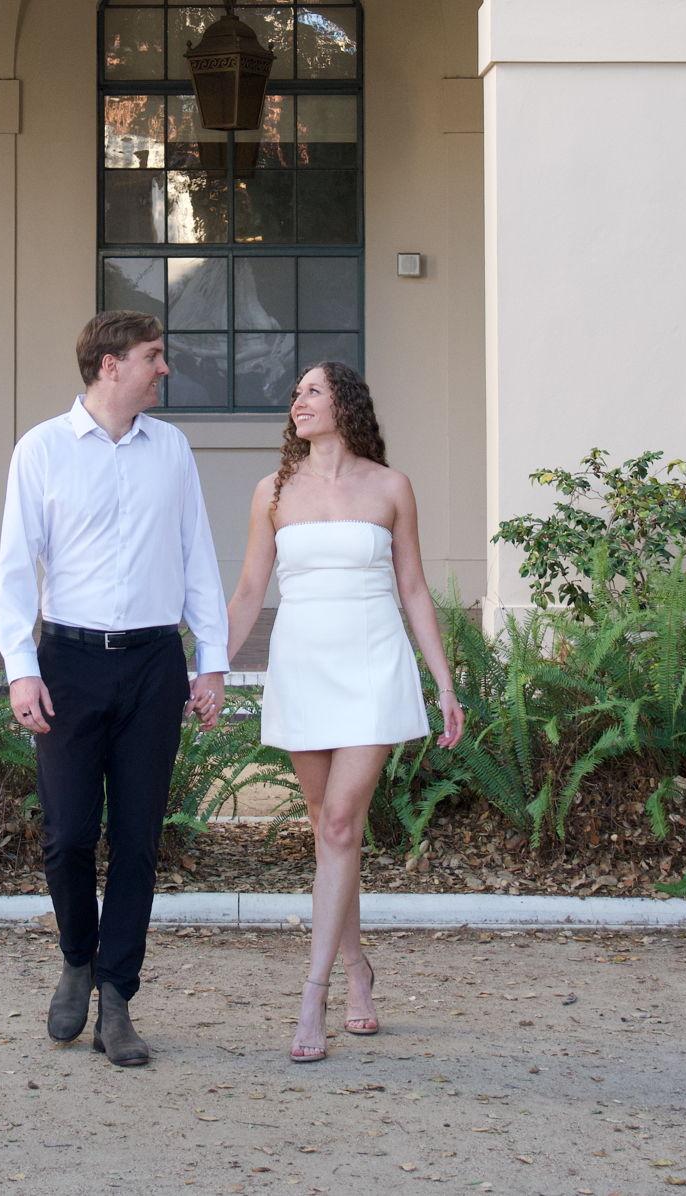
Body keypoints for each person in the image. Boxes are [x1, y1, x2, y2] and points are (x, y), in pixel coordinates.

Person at [0, 310, 230, 1068]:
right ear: (109, 365)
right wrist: (20, 667)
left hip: (154, 662)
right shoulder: (42, 449)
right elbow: (13, 570)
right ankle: (77, 958)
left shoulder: (172, 450)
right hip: (68, 663)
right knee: (67, 835)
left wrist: (212, 659)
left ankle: (117, 998)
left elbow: (197, 555)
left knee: (137, 839)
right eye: (153, 356)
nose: (165, 368)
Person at [223, 361, 465, 1063]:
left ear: (345, 404)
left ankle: (314, 995)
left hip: (372, 667)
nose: (297, 401)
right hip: (302, 670)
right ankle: (358, 968)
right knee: (334, 835)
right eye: (295, 393)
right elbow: (249, 590)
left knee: (337, 824)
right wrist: (206, 670)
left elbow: (413, 588)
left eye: (312, 391)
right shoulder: (272, 491)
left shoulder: (391, 487)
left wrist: (444, 685)